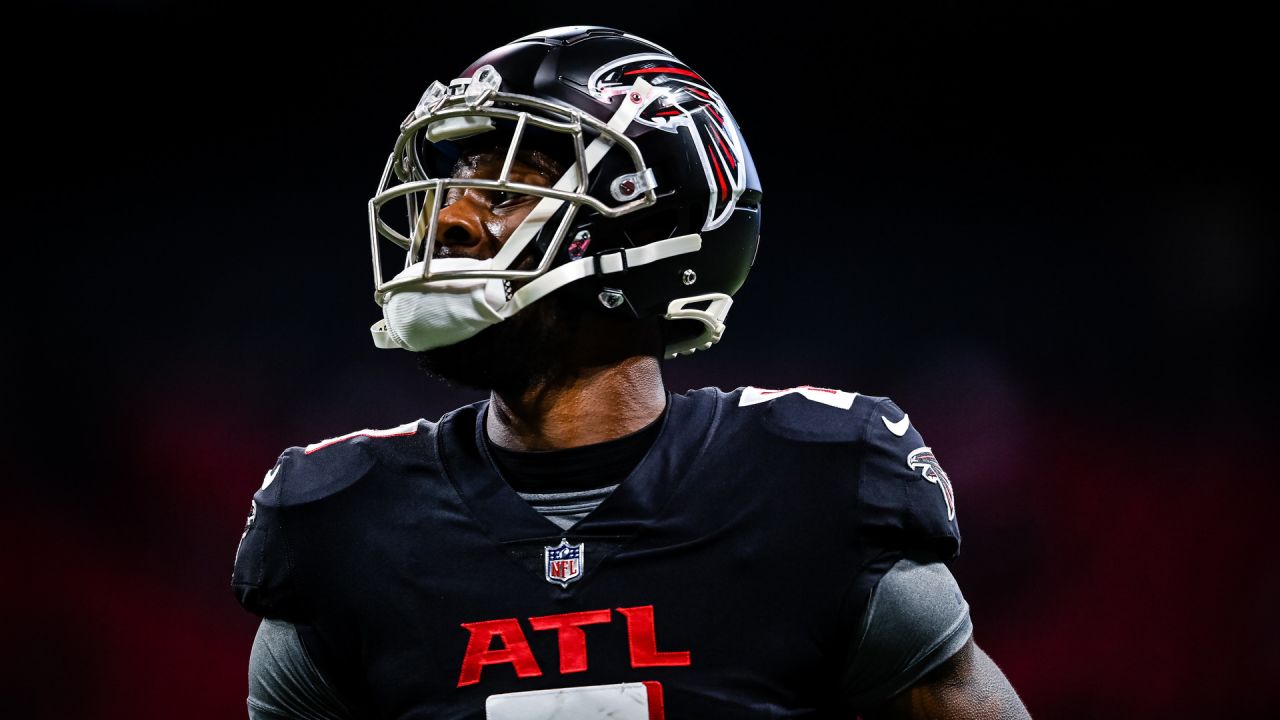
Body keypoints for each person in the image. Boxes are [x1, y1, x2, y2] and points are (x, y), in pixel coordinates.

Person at [231, 25, 1032, 719]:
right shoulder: (339, 521)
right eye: (456, 184)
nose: (451, 219)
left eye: (510, 186)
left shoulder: (810, 483)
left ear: (653, 213)